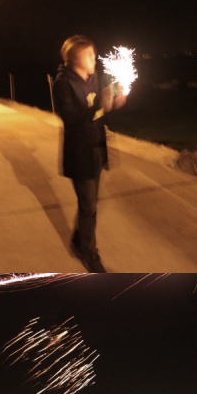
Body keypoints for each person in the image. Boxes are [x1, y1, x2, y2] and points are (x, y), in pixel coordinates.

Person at [53, 35, 128, 269]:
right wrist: (99, 105)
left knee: (90, 203)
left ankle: (78, 241)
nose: (95, 59)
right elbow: (70, 118)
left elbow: (100, 110)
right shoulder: (62, 84)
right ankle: (89, 252)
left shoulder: (93, 77)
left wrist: (115, 98)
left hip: (97, 148)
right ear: (75, 59)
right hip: (79, 153)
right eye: (89, 55)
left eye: (94, 54)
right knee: (89, 206)